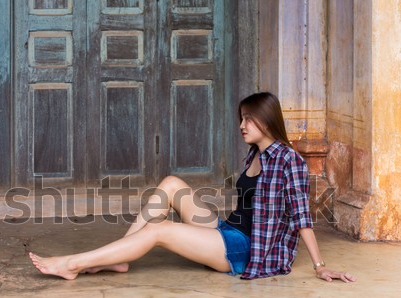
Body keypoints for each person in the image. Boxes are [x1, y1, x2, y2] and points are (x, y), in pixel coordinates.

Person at [29, 92, 355, 283]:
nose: (241, 126)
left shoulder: (289, 161)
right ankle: (119, 256)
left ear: (267, 122)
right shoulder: (255, 153)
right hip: (229, 230)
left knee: (160, 230)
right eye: (241, 118)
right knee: (171, 184)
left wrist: (319, 265)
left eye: (248, 120)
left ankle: (74, 264)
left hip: (245, 250)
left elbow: (301, 218)